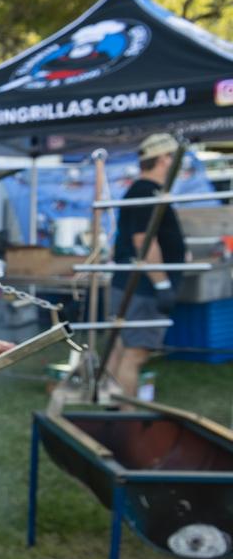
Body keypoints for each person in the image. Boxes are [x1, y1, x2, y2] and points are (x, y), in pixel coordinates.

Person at [105, 132, 187, 398]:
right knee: (136, 353)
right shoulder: (146, 192)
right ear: (164, 160)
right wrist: (162, 283)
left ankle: (109, 409)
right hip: (142, 287)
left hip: (129, 282)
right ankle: (125, 417)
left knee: (119, 347)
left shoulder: (141, 191)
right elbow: (143, 241)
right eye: (174, 159)